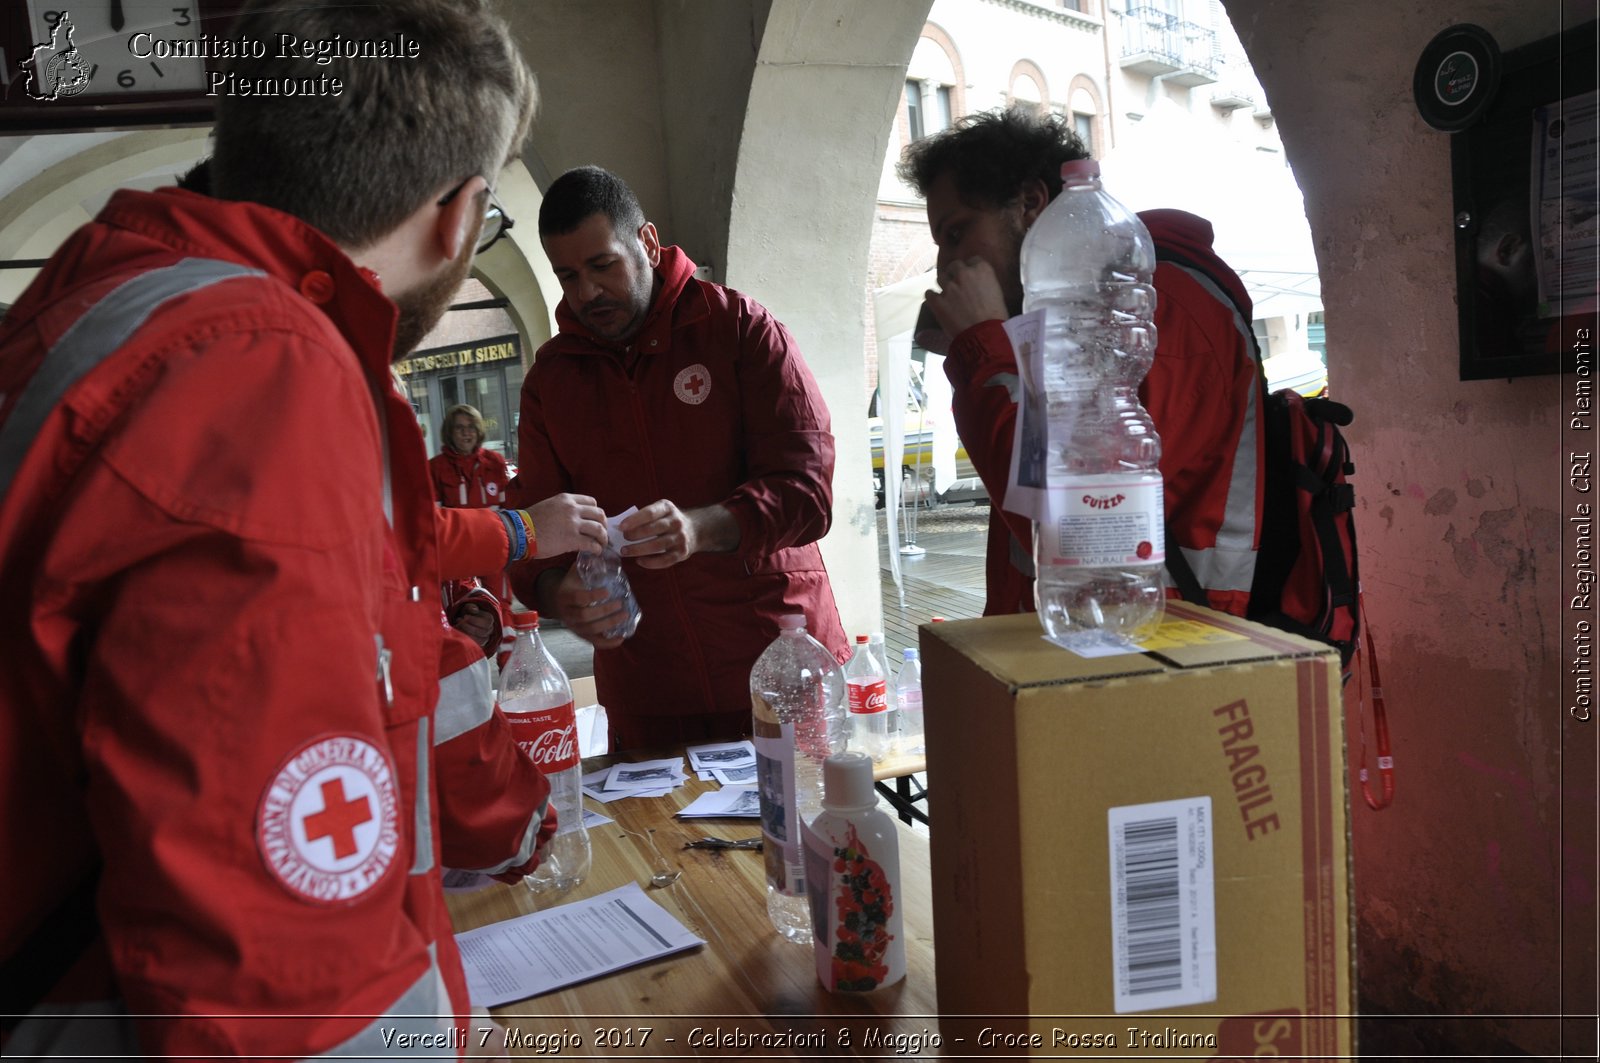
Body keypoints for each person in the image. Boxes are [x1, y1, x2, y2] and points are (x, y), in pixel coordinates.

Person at [0, 1, 586, 1055]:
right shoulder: (259, 364)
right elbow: (274, 971)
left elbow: (388, 647)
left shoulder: (106, 300)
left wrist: (504, 807)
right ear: (458, 217)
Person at [507, 165, 849, 750]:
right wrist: (557, 590)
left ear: (646, 242)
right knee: (652, 844)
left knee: (813, 838)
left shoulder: (739, 328)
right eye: (567, 275)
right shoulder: (551, 381)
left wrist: (699, 528)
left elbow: (808, 492)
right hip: (649, 689)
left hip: (779, 662)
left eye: (601, 266)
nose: (585, 292)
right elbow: (531, 529)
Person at [897, 105, 1264, 619]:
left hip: (1163, 641)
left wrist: (980, 347)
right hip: (1074, 633)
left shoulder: (1162, 305)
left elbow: (1062, 515)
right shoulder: (1059, 316)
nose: (946, 264)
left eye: (957, 233)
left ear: (1030, 202)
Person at [432, 403, 513, 509]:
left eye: (471, 427)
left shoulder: (495, 461)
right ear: (449, 432)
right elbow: (434, 515)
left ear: (478, 431)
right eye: (459, 427)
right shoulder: (435, 467)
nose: (466, 433)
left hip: (492, 525)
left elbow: (508, 507)